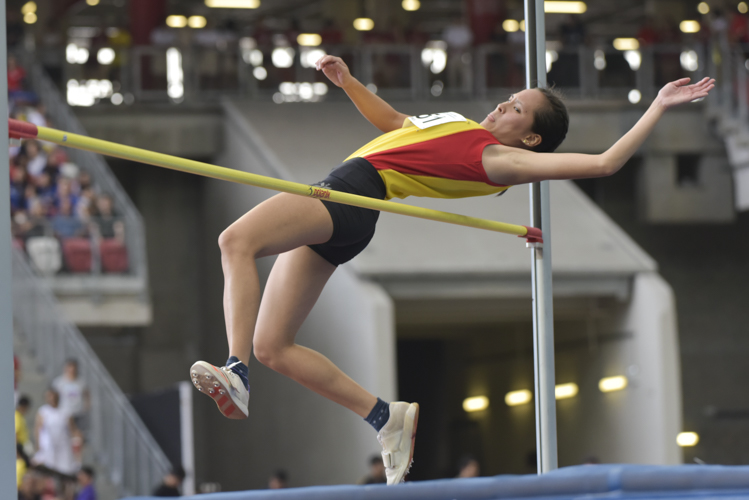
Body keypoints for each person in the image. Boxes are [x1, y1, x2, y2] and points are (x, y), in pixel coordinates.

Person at [188, 53, 714, 485]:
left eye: (517, 111)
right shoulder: (458, 126)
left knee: (234, 239)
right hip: (353, 207)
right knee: (275, 346)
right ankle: (384, 417)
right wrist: (348, 82)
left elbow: (604, 163)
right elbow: (395, 125)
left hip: (351, 195)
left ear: (529, 138)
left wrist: (658, 106)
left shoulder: (500, 160)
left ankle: (234, 372)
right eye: (510, 98)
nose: (504, 105)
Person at [32, 388, 79, 475]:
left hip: (63, 445)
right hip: (48, 446)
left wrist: (77, 441)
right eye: (49, 397)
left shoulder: (66, 411)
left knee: (64, 470)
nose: (52, 399)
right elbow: (38, 429)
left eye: (53, 396)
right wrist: (38, 444)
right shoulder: (43, 411)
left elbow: (72, 429)